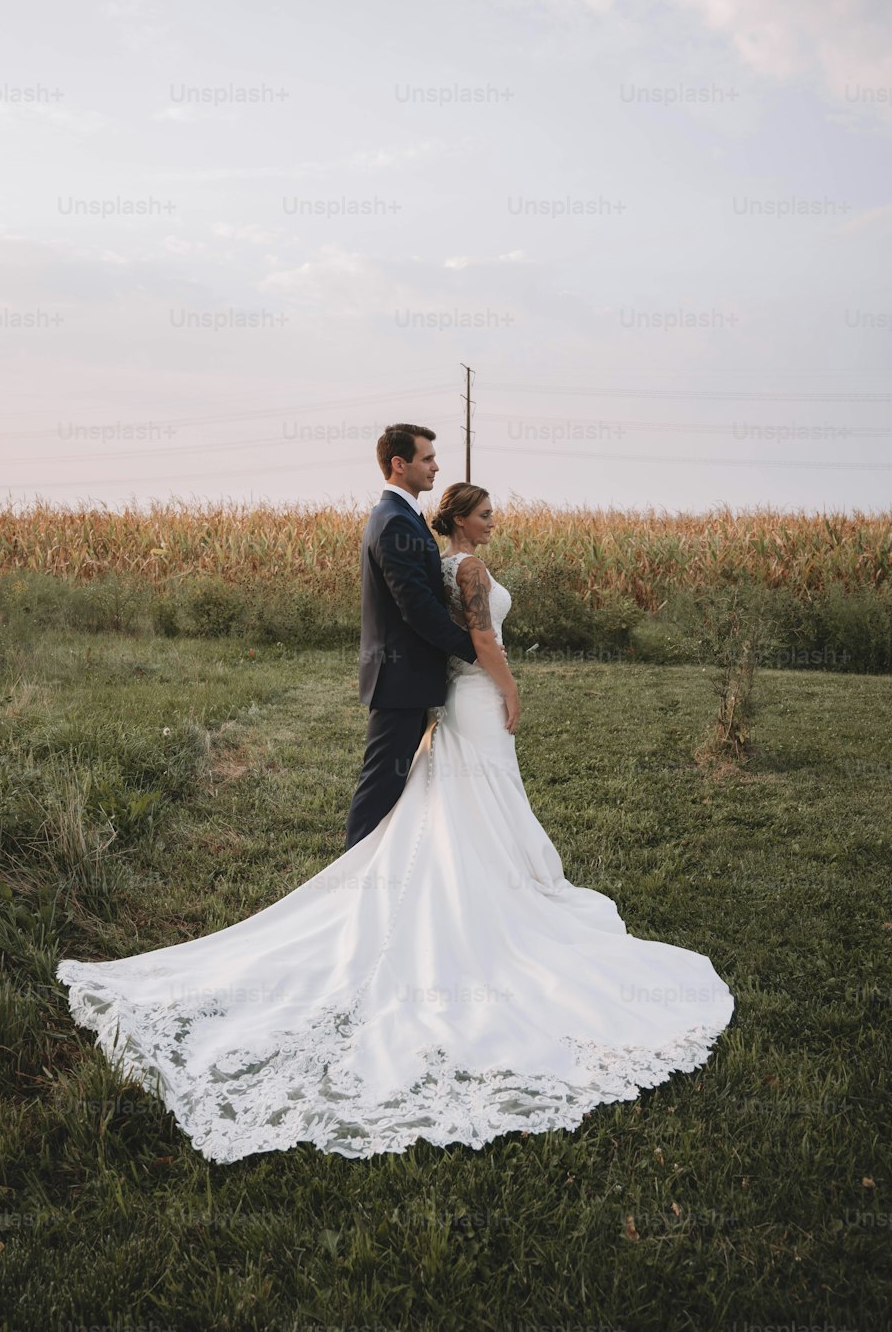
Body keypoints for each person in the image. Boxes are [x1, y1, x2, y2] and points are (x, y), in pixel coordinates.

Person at [55, 482, 734, 1164]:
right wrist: (510, 686)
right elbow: (478, 637)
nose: (495, 522)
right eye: (487, 513)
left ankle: (471, 879)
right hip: (473, 694)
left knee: (462, 796)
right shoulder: (465, 567)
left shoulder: (442, 561)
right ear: (464, 520)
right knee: (476, 792)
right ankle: (489, 897)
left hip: (457, 697)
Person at [344, 423, 480, 850]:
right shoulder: (393, 522)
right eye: (427, 458)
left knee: (399, 782)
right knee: (382, 783)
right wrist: (472, 648)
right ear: (398, 464)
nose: (436, 466)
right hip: (397, 679)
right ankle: (353, 881)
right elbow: (417, 607)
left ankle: (386, 861)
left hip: (408, 676)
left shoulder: (403, 516)